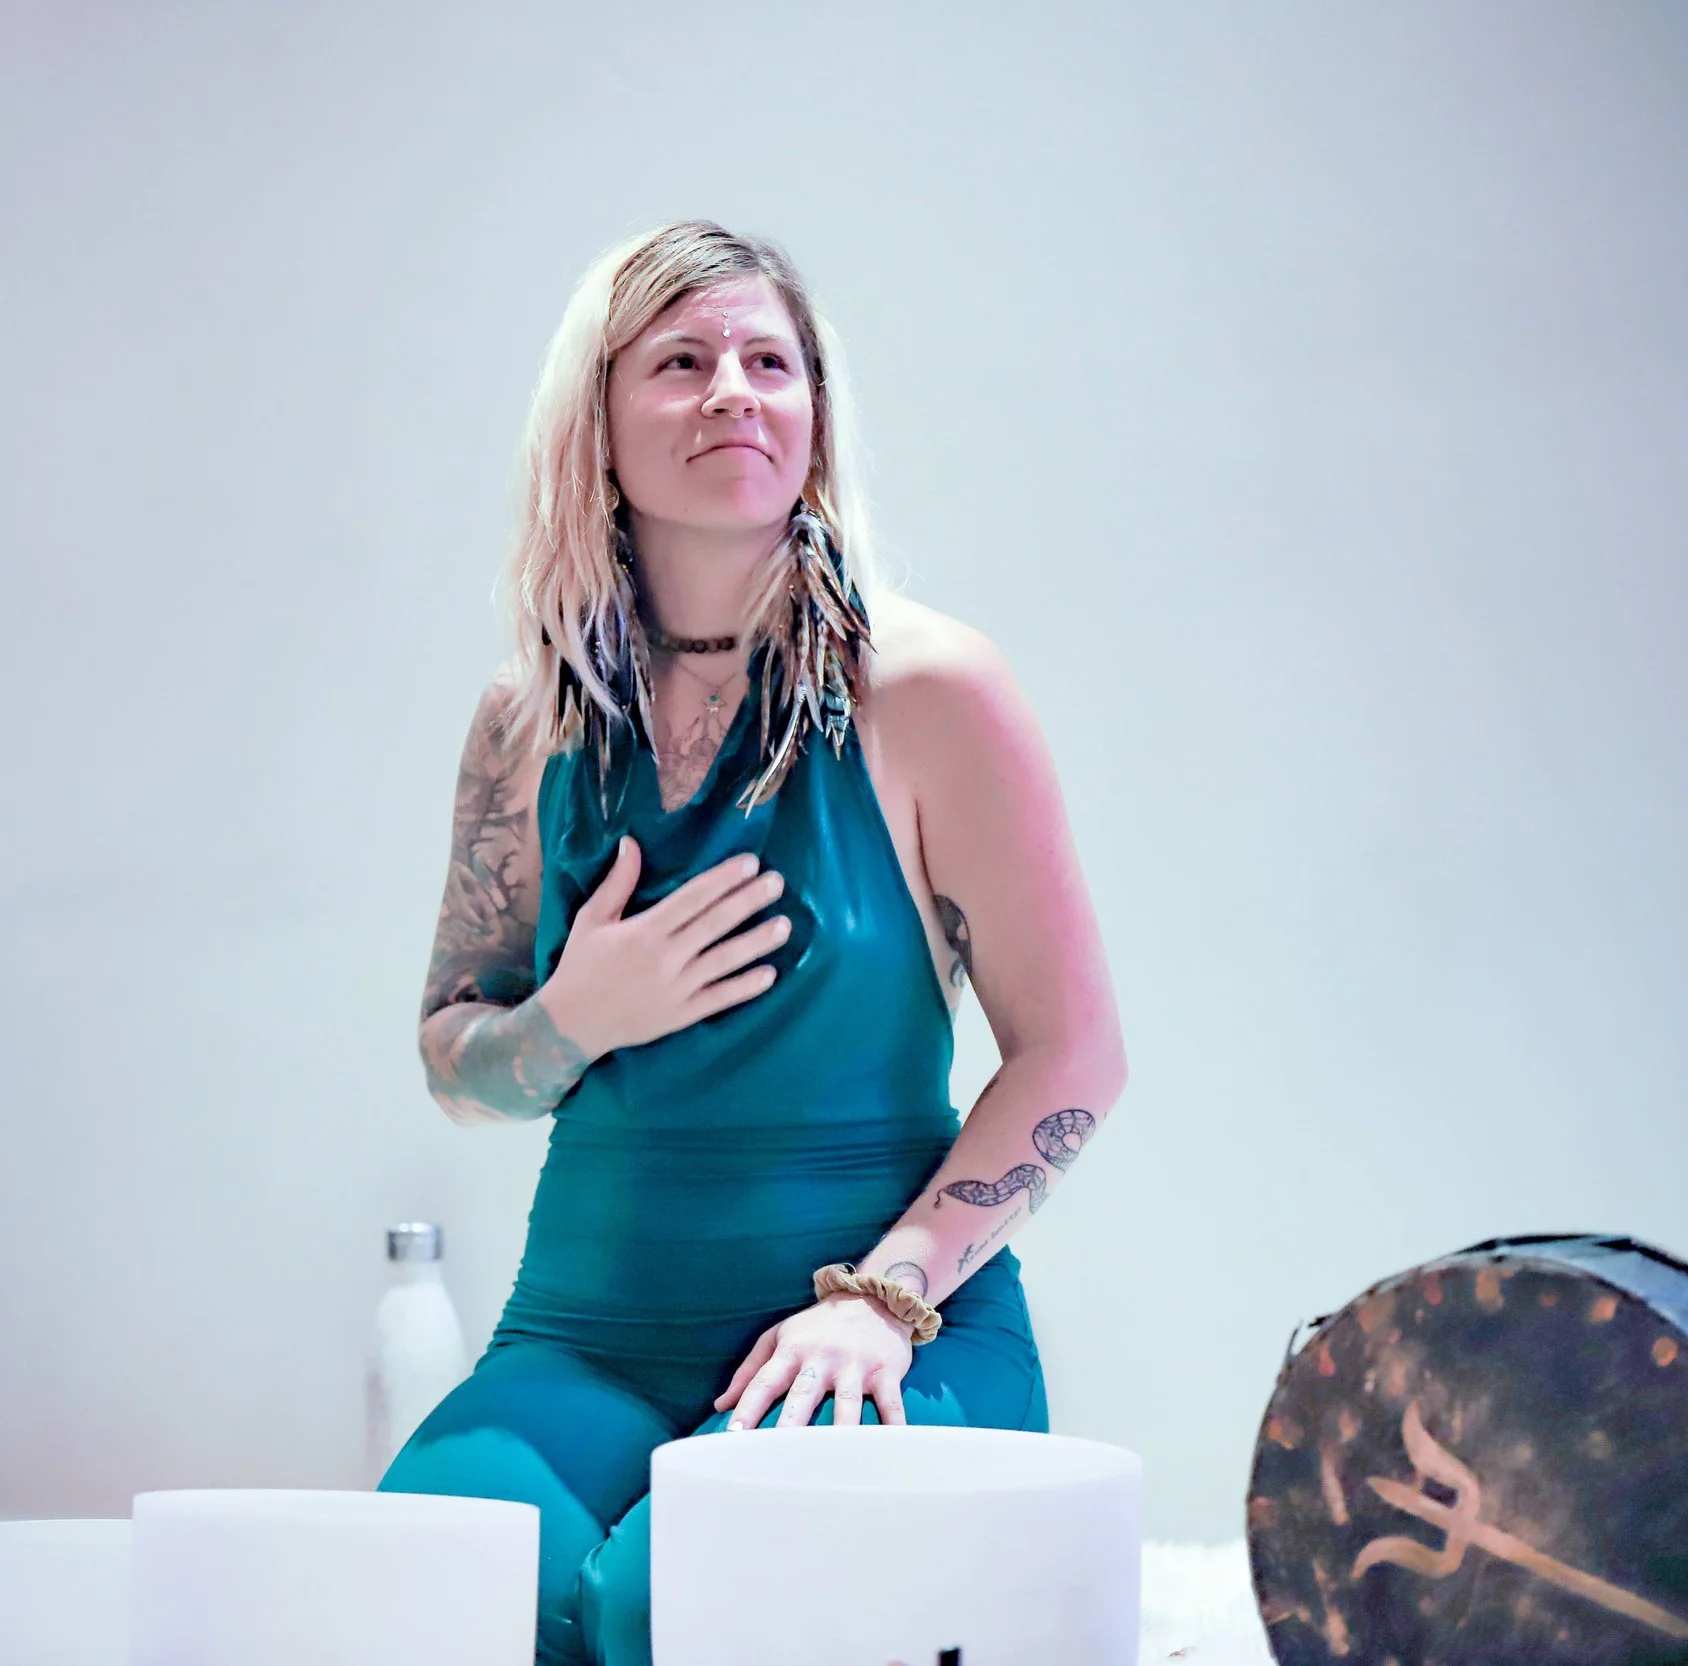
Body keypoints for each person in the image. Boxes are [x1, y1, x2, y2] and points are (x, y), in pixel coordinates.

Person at [380, 220, 1128, 1666]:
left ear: (814, 416)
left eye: (768, 361)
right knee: (435, 1599)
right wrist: (572, 1018)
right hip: (582, 1330)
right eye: (680, 360)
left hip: (883, 1324)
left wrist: (888, 1295)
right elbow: (457, 1065)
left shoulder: (929, 689)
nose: (734, 389)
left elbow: (1077, 1054)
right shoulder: (525, 718)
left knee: (678, 1608)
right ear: (594, 426)